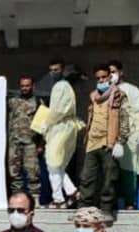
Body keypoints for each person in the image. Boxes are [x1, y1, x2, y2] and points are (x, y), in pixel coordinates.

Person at [78, 63, 129, 220]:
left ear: (110, 77)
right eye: (98, 78)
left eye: (104, 77)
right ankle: (83, 210)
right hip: (92, 142)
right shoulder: (93, 96)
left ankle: (107, 210)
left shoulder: (119, 95)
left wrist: (121, 141)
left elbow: (124, 118)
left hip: (109, 142)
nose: (101, 80)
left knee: (109, 178)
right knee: (87, 178)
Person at [108, 60, 139, 210]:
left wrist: (138, 132)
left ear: (121, 72)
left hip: (128, 138)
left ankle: (130, 203)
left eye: (113, 72)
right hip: (110, 138)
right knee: (110, 172)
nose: (111, 75)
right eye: (109, 73)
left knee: (128, 171)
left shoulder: (131, 90)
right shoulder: (105, 92)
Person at [42, 61, 82, 208]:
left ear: (63, 70)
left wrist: (45, 124)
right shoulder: (65, 86)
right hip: (65, 127)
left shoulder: (60, 86)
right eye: (51, 70)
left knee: (52, 163)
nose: (53, 72)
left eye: (56, 69)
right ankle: (72, 191)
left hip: (60, 127)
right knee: (57, 165)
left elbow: (57, 111)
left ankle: (58, 199)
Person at [7, 76, 45, 198]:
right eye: (22, 86)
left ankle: (35, 199)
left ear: (33, 86)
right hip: (14, 143)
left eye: (27, 85)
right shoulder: (12, 101)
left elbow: (43, 125)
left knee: (33, 173)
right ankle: (16, 199)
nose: (24, 88)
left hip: (31, 144)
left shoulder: (38, 102)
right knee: (14, 174)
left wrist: (41, 144)